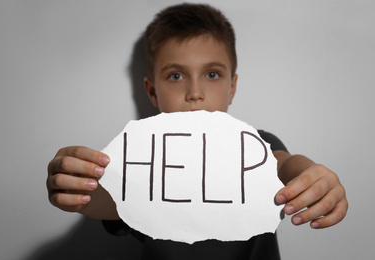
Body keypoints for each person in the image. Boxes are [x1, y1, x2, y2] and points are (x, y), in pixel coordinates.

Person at [47, 3, 348, 259]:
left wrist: (310, 172)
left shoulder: (254, 146)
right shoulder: (142, 160)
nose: (195, 92)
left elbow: (284, 164)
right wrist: (78, 185)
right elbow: (109, 201)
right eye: (176, 75)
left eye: (212, 74)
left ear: (232, 87)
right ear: (152, 92)